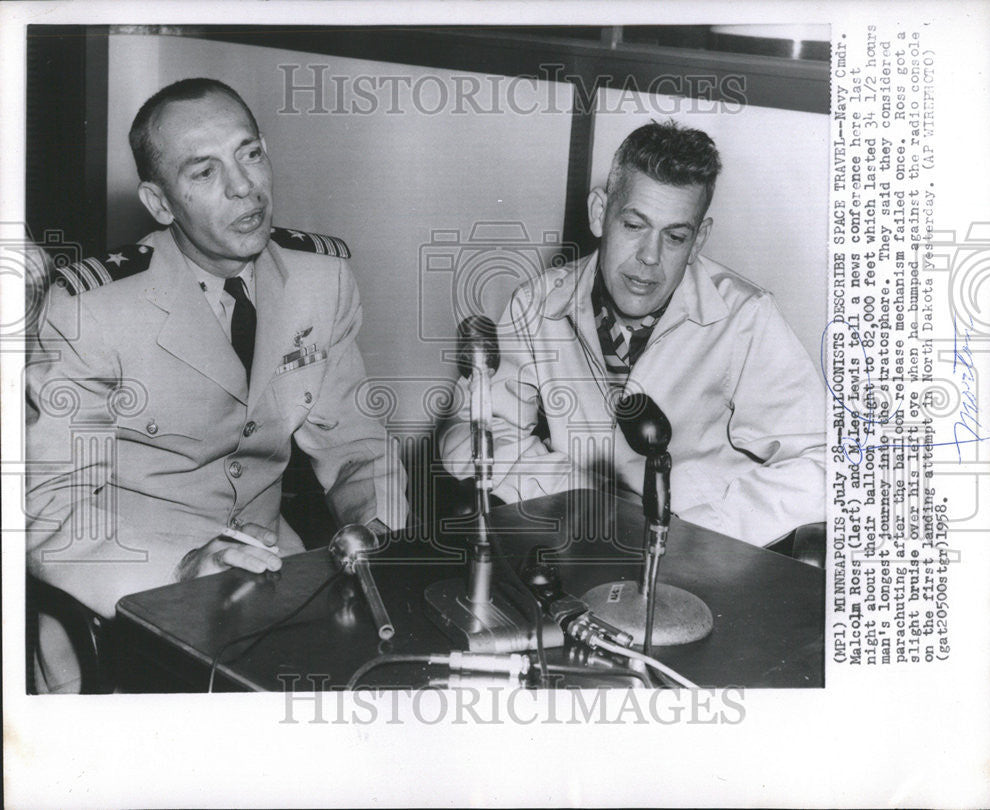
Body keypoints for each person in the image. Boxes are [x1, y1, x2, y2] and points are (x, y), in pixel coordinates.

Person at [26, 78, 407, 691]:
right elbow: (45, 507)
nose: (243, 187)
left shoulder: (321, 281)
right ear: (159, 203)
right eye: (203, 172)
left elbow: (356, 447)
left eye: (250, 153)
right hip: (121, 604)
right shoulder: (90, 309)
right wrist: (180, 570)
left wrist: (374, 536)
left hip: (273, 582)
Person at [439, 120, 824, 547]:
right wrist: (579, 497)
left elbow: (826, 465)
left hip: (700, 562)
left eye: (675, 236)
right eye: (634, 226)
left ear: (699, 241)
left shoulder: (746, 318)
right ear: (600, 213)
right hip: (578, 544)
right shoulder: (537, 303)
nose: (649, 258)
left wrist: (703, 529)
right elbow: (472, 433)